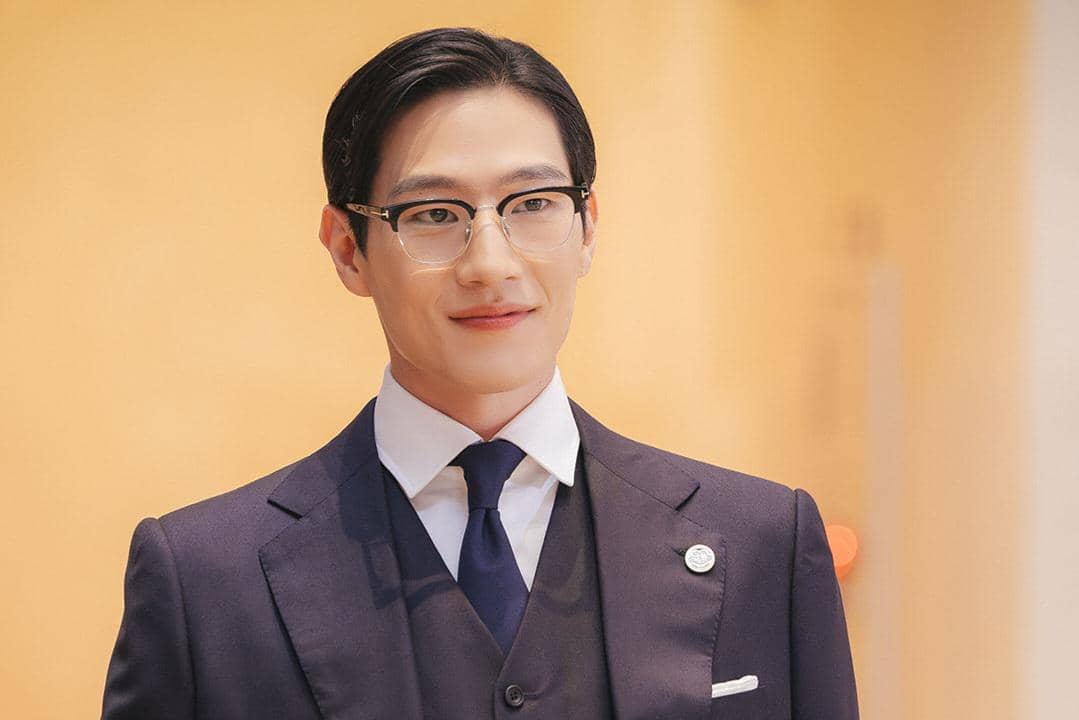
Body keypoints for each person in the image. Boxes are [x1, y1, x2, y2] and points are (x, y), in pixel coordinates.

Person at [102, 27, 858, 720]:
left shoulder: (762, 542)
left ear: (587, 227)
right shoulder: (205, 580)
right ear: (347, 249)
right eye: (434, 214)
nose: (490, 264)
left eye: (533, 203)